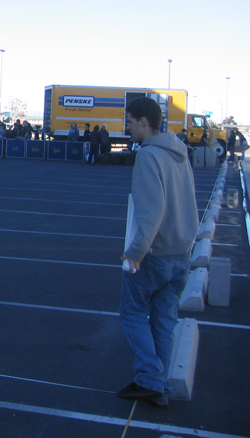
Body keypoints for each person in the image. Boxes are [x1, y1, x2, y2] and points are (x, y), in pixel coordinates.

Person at [118, 97, 198, 407]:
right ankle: (159, 389)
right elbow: (190, 201)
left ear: (143, 122)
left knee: (133, 313)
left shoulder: (148, 157)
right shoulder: (179, 153)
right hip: (181, 252)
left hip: (155, 253)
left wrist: (135, 252)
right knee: (164, 320)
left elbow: (151, 213)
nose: (127, 128)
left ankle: (150, 378)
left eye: (129, 121)